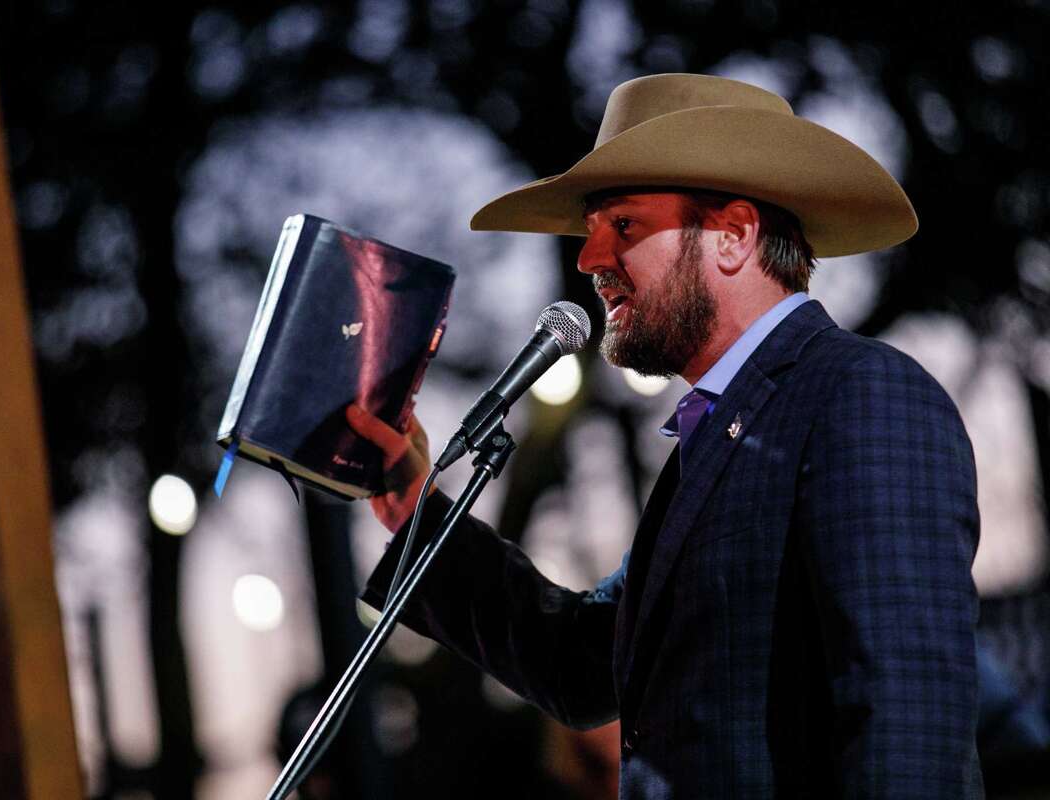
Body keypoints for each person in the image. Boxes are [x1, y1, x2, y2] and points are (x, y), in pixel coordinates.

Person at [345, 73, 982, 798]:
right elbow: (581, 665)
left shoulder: (858, 395)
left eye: (623, 226)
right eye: (590, 234)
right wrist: (409, 508)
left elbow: (906, 724)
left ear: (735, 236)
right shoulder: (719, 436)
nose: (588, 262)